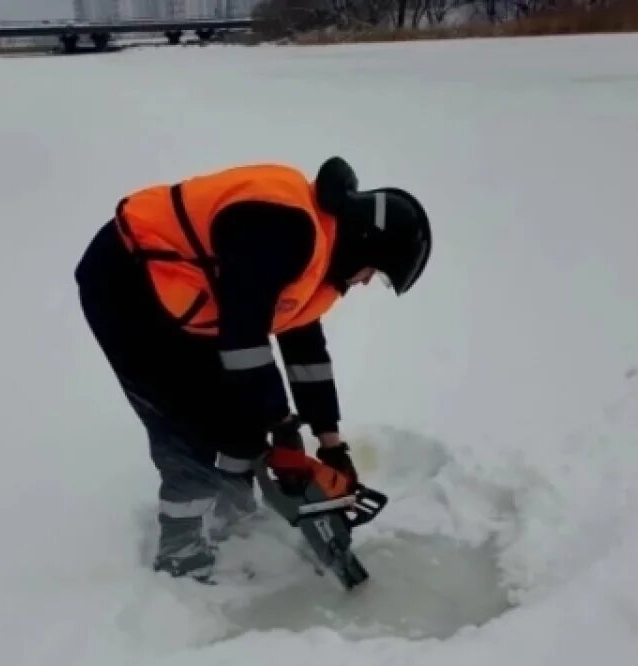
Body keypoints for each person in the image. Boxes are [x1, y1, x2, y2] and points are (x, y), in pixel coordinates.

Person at [74, 156, 432, 581]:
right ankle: (181, 553)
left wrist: (330, 442)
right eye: (375, 270)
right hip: (128, 283)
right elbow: (244, 341)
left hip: (190, 301)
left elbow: (305, 354)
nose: (368, 281)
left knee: (239, 422)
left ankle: (233, 515)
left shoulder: (317, 256)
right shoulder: (285, 230)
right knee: (190, 426)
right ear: (365, 242)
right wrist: (282, 428)